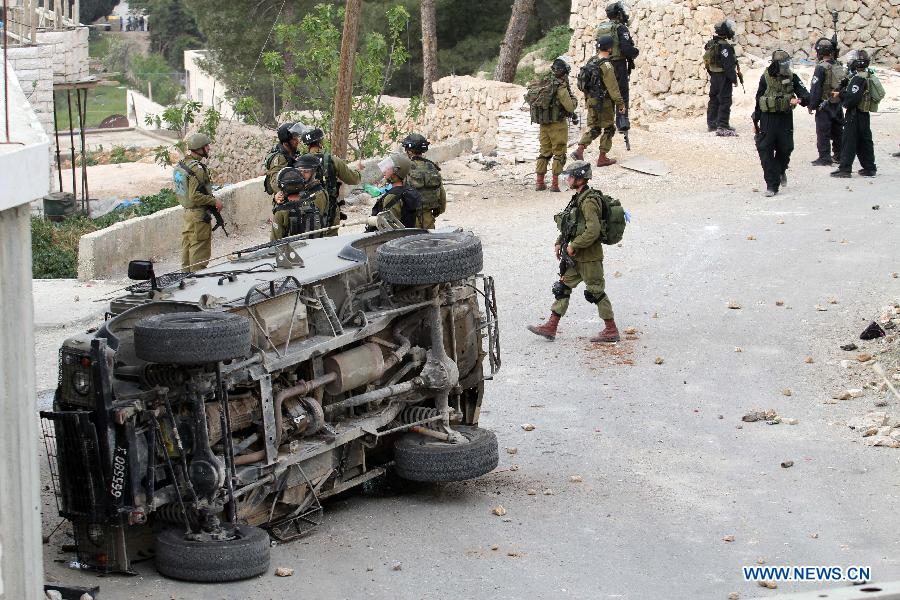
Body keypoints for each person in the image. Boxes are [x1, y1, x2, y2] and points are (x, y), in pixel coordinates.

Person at [527, 161, 621, 344]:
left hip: (589, 257)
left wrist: (574, 245)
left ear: (579, 178)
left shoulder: (589, 201)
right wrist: (560, 242)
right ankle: (551, 327)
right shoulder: (578, 198)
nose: (567, 179)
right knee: (563, 288)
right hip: (576, 257)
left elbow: (592, 231)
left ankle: (611, 329)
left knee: (596, 292)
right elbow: (571, 224)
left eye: (570, 176)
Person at [751, 50, 810, 197]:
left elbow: (805, 95)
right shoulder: (765, 78)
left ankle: (781, 170)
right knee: (765, 150)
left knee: (786, 148)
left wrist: (800, 100)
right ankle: (772, 185)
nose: (785, 67)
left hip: (784, 118)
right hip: (767, 118)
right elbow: (758, 99)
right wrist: (755, 120)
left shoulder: (792, 77)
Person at [572, 35, 626, 167]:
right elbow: (613, 88)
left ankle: (580, 149)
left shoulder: (591, 61)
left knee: (595, 128)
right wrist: (620, 103)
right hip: (604, 103)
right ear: (609, 48)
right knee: (609, 128)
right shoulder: (606, 65)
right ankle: (602, 158)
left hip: (591, 100)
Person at [301, 128, 361, 236]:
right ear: (320, 142)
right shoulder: (332, 160)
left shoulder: (299, 162)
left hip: (306, 207)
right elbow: (353, 179)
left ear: (307, 145)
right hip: (330, 208)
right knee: (330, 240)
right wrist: (358, 171)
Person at [174, 133, 220, 272]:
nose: (209, 148)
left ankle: (186, 280)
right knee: (199, 250)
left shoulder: (183, 165)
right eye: (206, 146)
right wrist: (214, 201)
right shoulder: (197, 169)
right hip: (198, 215)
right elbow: (195, 196)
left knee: (188, 247)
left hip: (188, 214)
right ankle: (196, 283)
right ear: (200, 148)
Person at [531, 58, 578, 192]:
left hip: (544, 124)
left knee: (544, 152)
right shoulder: (560, 86)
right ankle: (555, 185)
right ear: (564, 72)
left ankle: (539, 183)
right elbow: (569, 106)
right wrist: (574, 100)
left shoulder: (546, 83)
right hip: (557, 125)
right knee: (559, 153)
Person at [831, 50, 877, 178]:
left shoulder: (858, 78)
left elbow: (852, 99)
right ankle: (869, 168)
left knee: (848, 141)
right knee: (864, 140)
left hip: (854, 114)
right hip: (864, 114)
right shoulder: (866, 75)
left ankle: (845, 169)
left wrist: (840, 94)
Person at [271, 155, 330, 240]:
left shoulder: (319, 194)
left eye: (306, 171)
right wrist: (277, 199)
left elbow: (312, 221)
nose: (301, 174)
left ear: (314, 173)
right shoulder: (300, 191)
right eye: (299, 171)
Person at [594, 1, 639, 108]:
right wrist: (636, 52)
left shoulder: (602, 27)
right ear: (619, 14)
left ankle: (608, 123)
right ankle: (623, 122)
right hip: (618, 65)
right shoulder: (621, 28)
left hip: (603, 63)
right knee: (622, 95)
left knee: (608, 94)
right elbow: (626, 48)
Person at [808, 39, 845, 165]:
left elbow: (816, 88)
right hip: (837, 102)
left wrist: (812, 105)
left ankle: (824, 157)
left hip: (824, 104)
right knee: (838, 131)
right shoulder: (838, 65)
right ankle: (839, 155)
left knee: (823, 132)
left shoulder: (821, 67)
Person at [401, 133, 447, 226]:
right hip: (428, 218)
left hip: (410, 220)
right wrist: (436, 212)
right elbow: (442, 196)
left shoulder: (405, 168)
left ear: (409, 151)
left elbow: (397, 193)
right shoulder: (433, 167)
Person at [704, 19, 739, 136]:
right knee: (725, 100)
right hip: (723, 77)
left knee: (713, 99)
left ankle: (712, 124)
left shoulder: (711, 43)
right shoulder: (725, 47)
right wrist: (733, 79)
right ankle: (723, 125)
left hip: (714, 75)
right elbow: (728, 66)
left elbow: (707, 61)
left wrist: (713, 73)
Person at [370, 153, 422, 229]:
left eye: (388, 168)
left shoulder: (392, 196)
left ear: (395, 171)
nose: (384, 170)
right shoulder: (409, 191)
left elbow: (389, 226)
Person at [264, 122, 305, 197]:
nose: (297, 141)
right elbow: (275, 181)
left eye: (297, 137)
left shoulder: (294, 153)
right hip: (286, 199)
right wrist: (280, 195)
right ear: (286, 142)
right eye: (294, 139)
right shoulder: (279, 158)